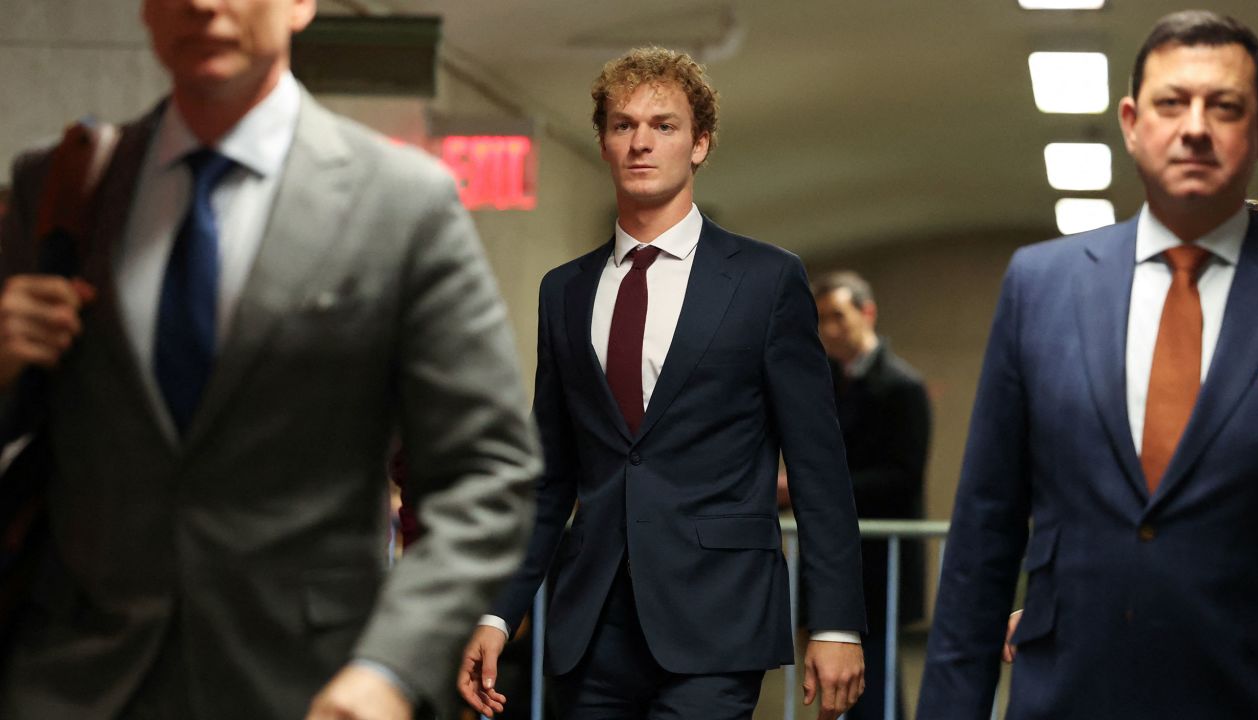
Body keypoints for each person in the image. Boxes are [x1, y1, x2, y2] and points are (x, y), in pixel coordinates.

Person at [0, 1, 539, 718]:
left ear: (300, 5)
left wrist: (392, 667)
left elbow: (489, 473)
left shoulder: (400, 204)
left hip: (307, 686)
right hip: (76, 683)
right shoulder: (64, 185)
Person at [457, 47, 867, 720]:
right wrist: (498, 613)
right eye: (623, 125)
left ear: (700, 143)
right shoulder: (566, 292)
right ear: (602, 142)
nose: (641, 141)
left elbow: (820, 466)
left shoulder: (766, 282)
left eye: (664, 125)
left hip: (718, 616)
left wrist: (835, 623)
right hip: (591, 624)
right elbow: (549, 476)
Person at [918, 9, 1258, 719]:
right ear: (1131, 122)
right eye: (1172, 102)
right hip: (1070, 692)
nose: (1196, 126)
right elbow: (985, 531)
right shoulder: (1042, 284)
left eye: (1225, 106)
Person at [810, 271, 930, 720]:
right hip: (841, 556)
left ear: (868, 313)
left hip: (881, 563)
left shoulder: (902, 386)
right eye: (821, 319)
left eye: (838, 317)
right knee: (840, 688)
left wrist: (811, 488)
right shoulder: (830, 382)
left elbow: (903, 476)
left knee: (874, 685)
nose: (829, 330)